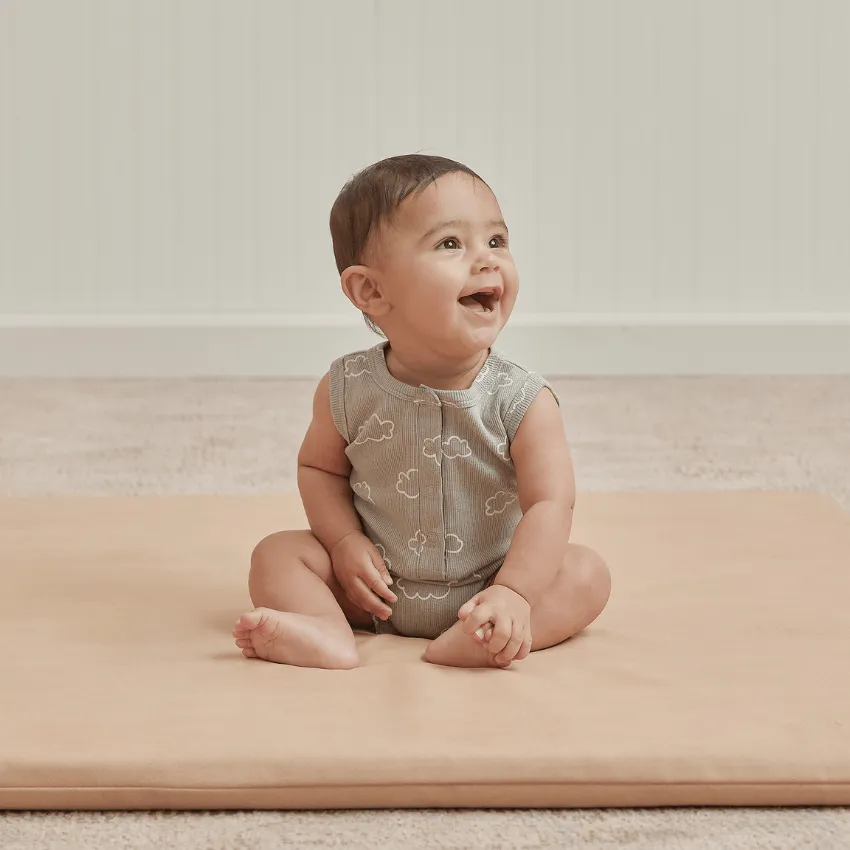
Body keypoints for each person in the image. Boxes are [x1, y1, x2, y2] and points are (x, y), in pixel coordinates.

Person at [233, 154, 611, 670]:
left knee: (587, 574)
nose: (487, 260)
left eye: (496, 241)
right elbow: (318, 469)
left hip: (489, 586)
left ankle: (488, 635)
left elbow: (551, 504)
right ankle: (327, 630)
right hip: (374, 589)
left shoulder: (521, 399)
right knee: (275, 555)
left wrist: (516, 593)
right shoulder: (349, 388)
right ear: (371, 291)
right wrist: (343, 543)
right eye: (451, 243)